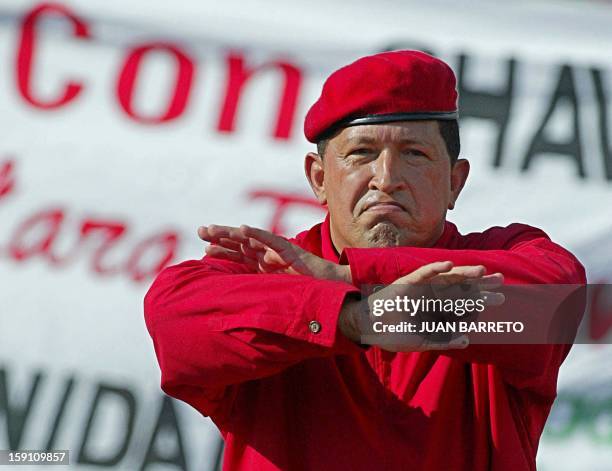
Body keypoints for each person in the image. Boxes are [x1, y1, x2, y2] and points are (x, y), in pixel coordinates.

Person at [144, 50, 586, 471]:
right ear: (319, 179)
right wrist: (355, 318)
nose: (387, 179)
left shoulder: (506, 256)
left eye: (414, 154)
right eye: (362, 153)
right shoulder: (267, 272)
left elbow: (557, 302)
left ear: (455, 181)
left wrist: (345, 274)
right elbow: (173, 318)